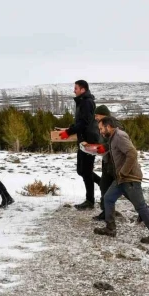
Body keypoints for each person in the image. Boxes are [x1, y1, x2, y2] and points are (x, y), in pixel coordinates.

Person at [94, 116, 149, 244]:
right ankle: (110, 228)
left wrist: (124, 172)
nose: (100, 131)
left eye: (101, 128)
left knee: (140, 206)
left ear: (108, 127)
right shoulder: (112, 138)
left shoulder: (119, 136)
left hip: (130, 179)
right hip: (121, 179)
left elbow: (132, 153)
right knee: (108, 198)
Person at [60, 80, 101, 210]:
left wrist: (69, 132)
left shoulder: (87, 102)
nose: (74, 90)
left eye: (76, 88)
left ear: (82, 89)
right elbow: (80, 121)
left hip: (89, 141)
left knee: (86, 171)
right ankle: (103, 184)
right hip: (83, 140)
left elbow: (85, 122)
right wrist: (71, 128)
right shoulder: (82, 101)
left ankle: (90, 200)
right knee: (81, 171)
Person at [92, 105, 126, 221]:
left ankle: (142, 211)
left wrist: (104, 147)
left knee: (126, 190)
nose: (95, 117)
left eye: (97, 115)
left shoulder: (115, 124)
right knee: (104, 186)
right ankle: (106, 213)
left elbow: (117, 141)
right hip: (107, 161)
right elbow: (103, 140)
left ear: (103, 114)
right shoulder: (102, 124)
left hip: (116, 162)